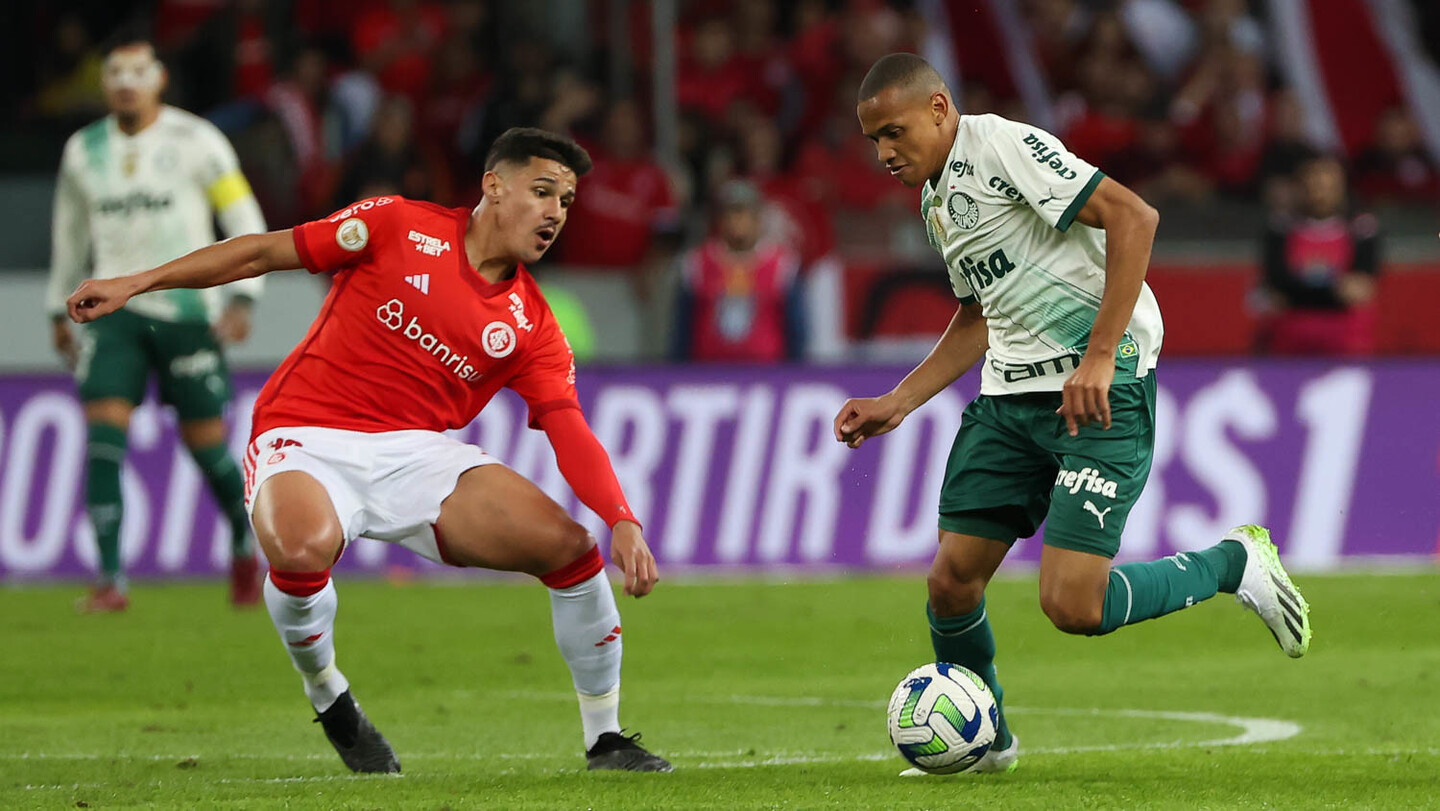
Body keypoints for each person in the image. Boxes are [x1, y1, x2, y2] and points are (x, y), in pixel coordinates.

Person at [66, 127, 671, 775]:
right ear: (494, 185)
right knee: (298, 553)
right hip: (305, 431)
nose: (555, 212)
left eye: (568, 201)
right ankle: (329, 693)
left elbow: (568, 427)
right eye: (544, 191)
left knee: (572, 549)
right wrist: (138, 282)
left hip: (416, 454)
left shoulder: (531, 323)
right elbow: (263, 253)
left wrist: (621, 517)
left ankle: (605, 739)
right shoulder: (396, 224)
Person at [833, 54, 1311, 775]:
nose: (884, 154)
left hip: (1100, 388)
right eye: (873, 141)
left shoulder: (1001, 148)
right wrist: (897, 400)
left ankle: (1233, 562)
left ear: (938, 108)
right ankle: (988, 743)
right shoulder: (936, 202)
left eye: (893, 132)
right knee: (950, 581)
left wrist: (1099, 353)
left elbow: (1133, 215)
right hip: (1009, 400)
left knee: (1072, 604)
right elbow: (977, 317)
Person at [48, 38, 267, 612]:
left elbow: (241, 213)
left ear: (160, 79)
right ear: (104, 83)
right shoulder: (82, 149)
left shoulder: (197, 140)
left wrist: (243, 295)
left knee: (208, 449)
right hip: (110, 315)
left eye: (138, 72)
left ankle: (244, 542)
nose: (126, 82)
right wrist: (57, 308)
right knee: (103, 438)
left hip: (186, 312)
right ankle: (112, 580)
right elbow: (70, 234)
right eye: (115, 72)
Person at [1258, 155, 1381, 356]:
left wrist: (1299, 285)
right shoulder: (1280, 229)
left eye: (1328, 185)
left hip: (1346, 342)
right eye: (1314, 184)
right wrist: (1334, 284)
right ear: (1300, 187)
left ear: (1342, 187)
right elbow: (1276, 286)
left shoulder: (1361, 229)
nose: (1320, 192)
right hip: (1289, 342)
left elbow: (1359, 289)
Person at [672, 179, 805, 363]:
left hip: (767, 374)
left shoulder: (782, 265)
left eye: (744, 213)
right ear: (720, 220)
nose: (737, 221)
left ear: (758, 218)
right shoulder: (697, 263)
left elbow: (796, 329)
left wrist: (794, 375)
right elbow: (682, 327)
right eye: (731, 213)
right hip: (707, 376)